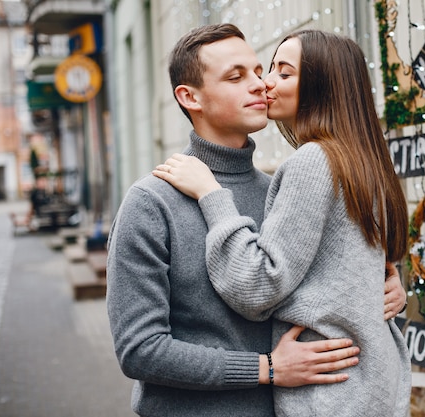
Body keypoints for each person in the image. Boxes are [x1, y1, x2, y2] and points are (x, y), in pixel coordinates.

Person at [107, 23, 406, 417]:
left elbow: (334, 275)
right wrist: (265, 369)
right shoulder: (151, 202)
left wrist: (386, 283)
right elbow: (140, 351)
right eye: (236, 76)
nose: (260, 84)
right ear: (189, 96)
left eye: (260, 70)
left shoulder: (285, 189)